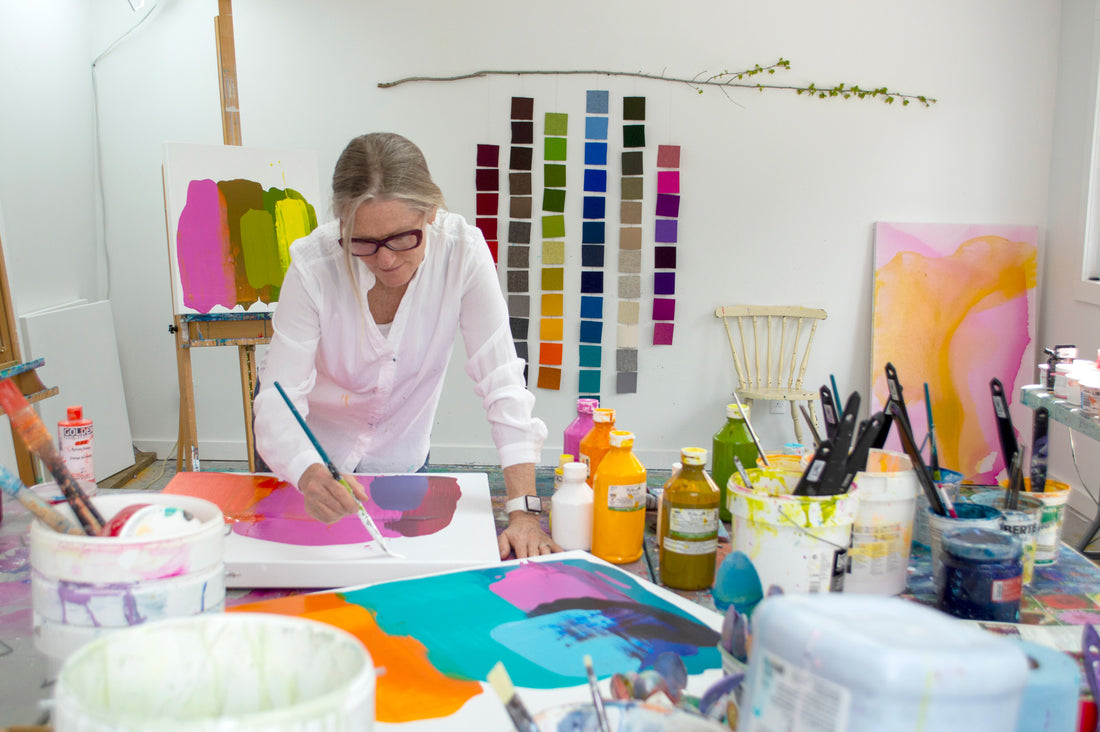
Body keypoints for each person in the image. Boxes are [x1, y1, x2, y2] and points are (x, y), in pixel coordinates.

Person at [253, 132, 559, 559]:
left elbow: (502, 382)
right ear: (342, 223)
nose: (386, 259)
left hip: (402, 455)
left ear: (431, 212)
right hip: (307, 456)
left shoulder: (463, 255)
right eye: (362, 242)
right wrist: (307, 471)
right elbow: (278, 398)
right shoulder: (313, 266)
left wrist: (524, 511)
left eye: (401, 238)